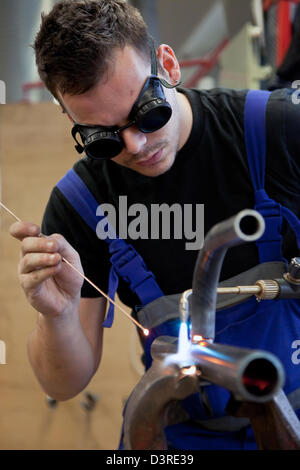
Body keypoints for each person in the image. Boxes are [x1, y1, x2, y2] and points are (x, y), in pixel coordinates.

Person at [10, 0, 300, 450]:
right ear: (70, 119)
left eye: (146, 112)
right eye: (102, 138)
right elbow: (63, 384)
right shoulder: (82, 203)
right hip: (181, 431)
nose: (136, 143)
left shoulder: (277, 131)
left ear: (168, 65)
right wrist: (58, 315)